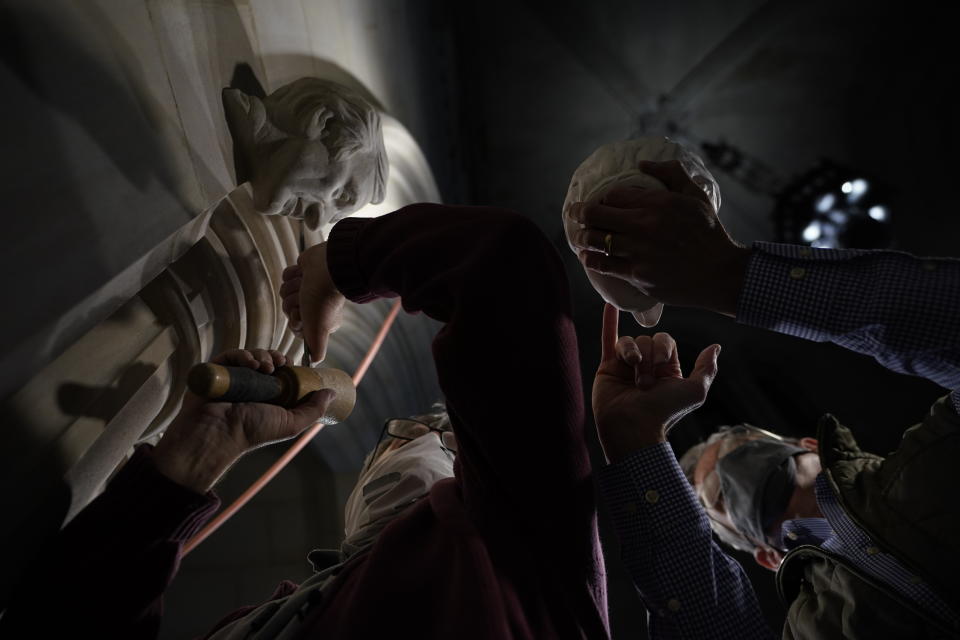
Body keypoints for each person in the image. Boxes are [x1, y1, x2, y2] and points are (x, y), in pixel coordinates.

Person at [1, 204, 609, 639]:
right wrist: (187, 467)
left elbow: (508, 271)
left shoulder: (533, 559)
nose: (427, 437)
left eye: (447, 441)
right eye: (420, 431)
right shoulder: (533, 593)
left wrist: (344, 263)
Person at [571, 160, 960, 638]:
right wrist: (636, 443)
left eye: (746, 451)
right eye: (715, 498)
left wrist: (733, 278)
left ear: (811, 447)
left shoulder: (936, 458)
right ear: (765, 556)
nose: (732, 474)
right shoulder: (811, 628)